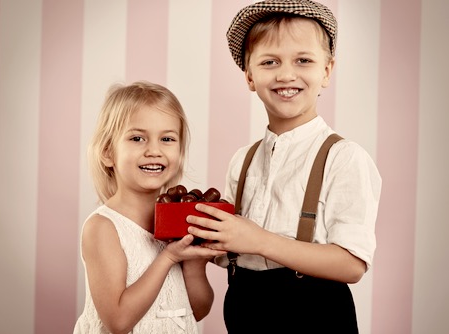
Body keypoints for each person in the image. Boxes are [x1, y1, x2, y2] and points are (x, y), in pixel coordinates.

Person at [186, 1, 382, 333]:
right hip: (245, 308)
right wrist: (206, 239)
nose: (286, 74)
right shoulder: (242, 161)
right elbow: (232, 252)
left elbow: (351, 265)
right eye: (269, 62)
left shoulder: (345, 158)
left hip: (314, 314)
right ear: (249, 76)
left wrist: (259, 240)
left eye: (303, 60)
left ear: (327, 71)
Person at [74, 81, 225, 334]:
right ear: (108, 152)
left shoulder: (180, 221)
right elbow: (119, 322)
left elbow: (198, 310)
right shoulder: (103, 228)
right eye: (137, 138)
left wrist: (195, 263)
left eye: (167, 139)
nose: (154, 150)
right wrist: (169, 257)